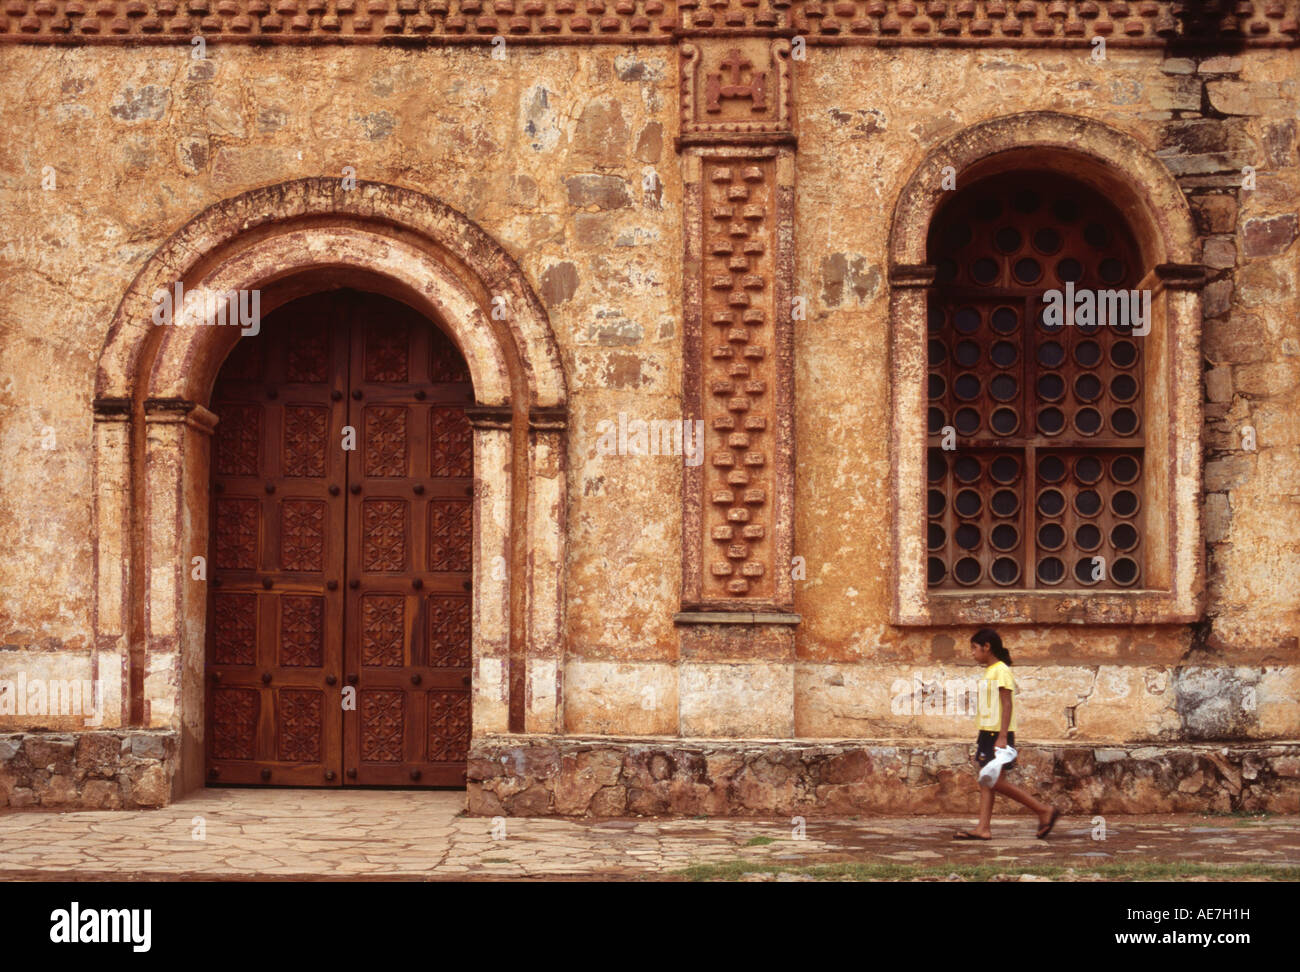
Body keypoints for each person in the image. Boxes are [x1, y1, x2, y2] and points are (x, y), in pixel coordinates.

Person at [954, 627, 1061, 840]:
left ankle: (1043, 810)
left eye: (975, 648)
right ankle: (983, 828)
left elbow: (1007, 703)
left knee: (993, 780)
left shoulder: (1001, 670)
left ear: (987, 647)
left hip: (997, 733)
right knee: (987, 780)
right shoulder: (990, 670)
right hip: (988, 732)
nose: (972, 653)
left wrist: (1003, 736)